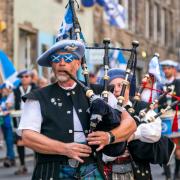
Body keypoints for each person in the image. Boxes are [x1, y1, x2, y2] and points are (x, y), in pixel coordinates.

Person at [18, 39, 136, 179]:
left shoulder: (101, 93)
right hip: (52, 171)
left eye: (68, 58)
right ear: (52, 65)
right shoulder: (37, 97)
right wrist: (64, 149)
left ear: (78, 63)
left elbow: (130, 124)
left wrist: (109, 136)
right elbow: (28, 137)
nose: (62, 63)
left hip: (91, 166)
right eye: (56, 59)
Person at [103, 68, 162, 180]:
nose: (116, 90)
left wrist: (131, 134)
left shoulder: (141, 107)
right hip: (107, 170)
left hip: (137, 169)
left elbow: (155, 131)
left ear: (129, 88)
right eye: (112, 86)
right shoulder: (102, 110)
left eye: (121, 85)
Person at [12, 70, 37, 175]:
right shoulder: (16, 90)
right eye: (22, 77)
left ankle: (38, 164)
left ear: (30, 78)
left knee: (36, 143)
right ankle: (22, 166)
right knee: (19, 143)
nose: (24, 78)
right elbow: (10, 102)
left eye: (26, 76)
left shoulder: (36, 89)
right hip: (19, 121)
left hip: (34, 121)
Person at [159, 60, 180, 180]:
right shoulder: (160, 84)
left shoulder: (178, 83)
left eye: (168, 68)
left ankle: (177, 173)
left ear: (173, 69)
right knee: (164, 148)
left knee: (178, 148)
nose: (166, 71)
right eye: (164, 69)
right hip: (164, 118)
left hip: (177, 118)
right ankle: (167, 175)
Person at [0, 83, 16, 167]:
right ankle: (10, 157)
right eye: (3, 89)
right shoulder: (2, 99)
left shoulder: (11, 97)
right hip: (3, 122)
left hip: (10, 122)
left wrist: (7, 110)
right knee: (7, 141)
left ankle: (10, 157)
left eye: (6, 89)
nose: (4, 90)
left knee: (9, 140)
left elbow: (12, 108)